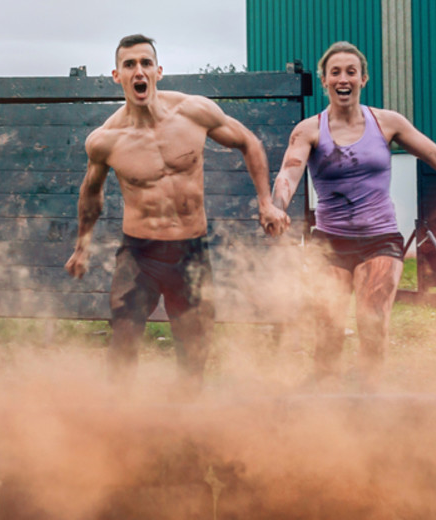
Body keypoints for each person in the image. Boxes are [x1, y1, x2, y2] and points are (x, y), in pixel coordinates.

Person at [64, 34, 289, 395]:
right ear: (117, 76)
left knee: (195, 352)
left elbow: (249, 142)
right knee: (123, 343)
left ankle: (187, 430)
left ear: (158, 71)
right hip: (140, 255)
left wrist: (266, 202)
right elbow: (91, 193)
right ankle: (115, 430)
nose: (139, 71)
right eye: (130, 64)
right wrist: (82, 246)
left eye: (146, 63)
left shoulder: (193, 112)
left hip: (191, 252)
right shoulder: (106, 140)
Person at [270, 41, 436, 390]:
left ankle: (369, 397)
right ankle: (322, 403)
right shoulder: (309, 130)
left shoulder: (387, 123)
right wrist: (276, 206)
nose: (343, 79)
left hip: (380, 240)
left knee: (372, 321)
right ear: (325, 80)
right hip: (330, 242)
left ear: (363, 79)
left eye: (351, 72)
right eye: (335, 73)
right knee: (328, 327)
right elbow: (288, 174)